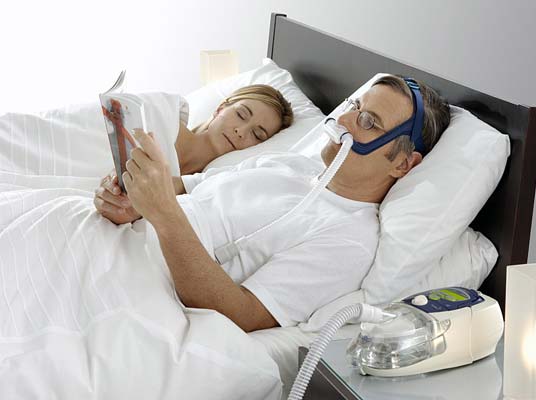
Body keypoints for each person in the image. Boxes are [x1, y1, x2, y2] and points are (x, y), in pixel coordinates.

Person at [94, 75, 450, 332]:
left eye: (368, 122)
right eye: (354, 106)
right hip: (114, 238)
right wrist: (130, 194)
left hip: (138, 279)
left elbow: (242, 314)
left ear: (402, 164)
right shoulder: (291, 164)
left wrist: (163, 214)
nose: (342, 120)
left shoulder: (350, 239)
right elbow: (185, 188)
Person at [95, 84, 294, 224]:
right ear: (220, 108)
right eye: (241, 114)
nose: (240, 131)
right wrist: (112, 189)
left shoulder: (210, 188)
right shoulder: (163, 119)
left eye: (257, 134)